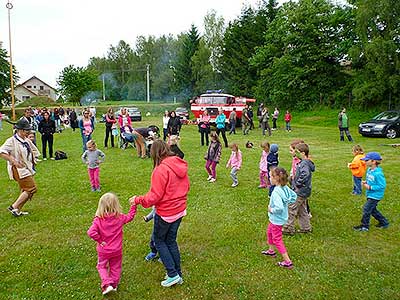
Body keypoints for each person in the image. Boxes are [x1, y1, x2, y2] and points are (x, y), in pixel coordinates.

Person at [130, 140, 189, 287]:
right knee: (171, 241)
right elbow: (186, 186)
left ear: (154, 153)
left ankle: (173, 274)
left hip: (166, 213)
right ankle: (177, 274)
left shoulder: (161, 170)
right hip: (180, 210)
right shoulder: (179, 163)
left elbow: (154, 197)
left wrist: (138, 199)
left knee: (159, 241)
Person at [87, 192, 137, 295]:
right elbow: (130, 217)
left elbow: (91, 232)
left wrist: (100, 241)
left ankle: (107, 284)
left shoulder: (98, 220)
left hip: (104, 250)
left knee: (101, 267)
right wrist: (133, 206)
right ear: (116, 205)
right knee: (115, 267)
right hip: (117, 250)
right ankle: (114, 285)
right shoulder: (120, 218)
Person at [0, 119, 40, 217]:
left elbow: (32, 151)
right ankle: (14, 206)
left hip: (25, 168)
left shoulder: (25, 140)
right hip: (17, 169)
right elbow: (1, 152)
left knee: (26, 189)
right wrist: (13, 161)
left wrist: (33, 160)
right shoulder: (11, 141)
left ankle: (17, 210)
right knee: (31, 188)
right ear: (20, 130)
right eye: (26, 130)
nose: (28, 132)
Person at [262, 167, 297, 269]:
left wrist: (271, 210)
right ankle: (271, 251)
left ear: (276, 179)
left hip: (277, 219)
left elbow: (279, 208)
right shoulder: (285, 187)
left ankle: (287, 261)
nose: (269, 178)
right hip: (278, 218)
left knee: (277, 239)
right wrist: (287, 201)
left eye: (270, 177)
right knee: (269, 233)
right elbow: (294, 196)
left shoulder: (276, 192)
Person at [283, 143, 315, 235]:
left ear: (303, 153)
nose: (296, 154)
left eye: (298, 152)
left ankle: (288, 229)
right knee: (302, 209)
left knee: (291, 208)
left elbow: (305, 174)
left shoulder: (304, 163)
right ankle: (306, 228)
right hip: (304, 191)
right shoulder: (306, 162)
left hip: (300, 191)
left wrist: (297, 183)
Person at [353, 152, 389, 231]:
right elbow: (372, 180)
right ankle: (384, 222)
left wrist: (370, 187)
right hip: (370, 194)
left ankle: (364, 226)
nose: (364, 161)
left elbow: (382, 185)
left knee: (366, 209)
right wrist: (366, 182)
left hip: (375, 195)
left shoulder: (378, 174)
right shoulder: (369, 170)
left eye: (366, 160)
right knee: (372, 210)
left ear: (373, 161)